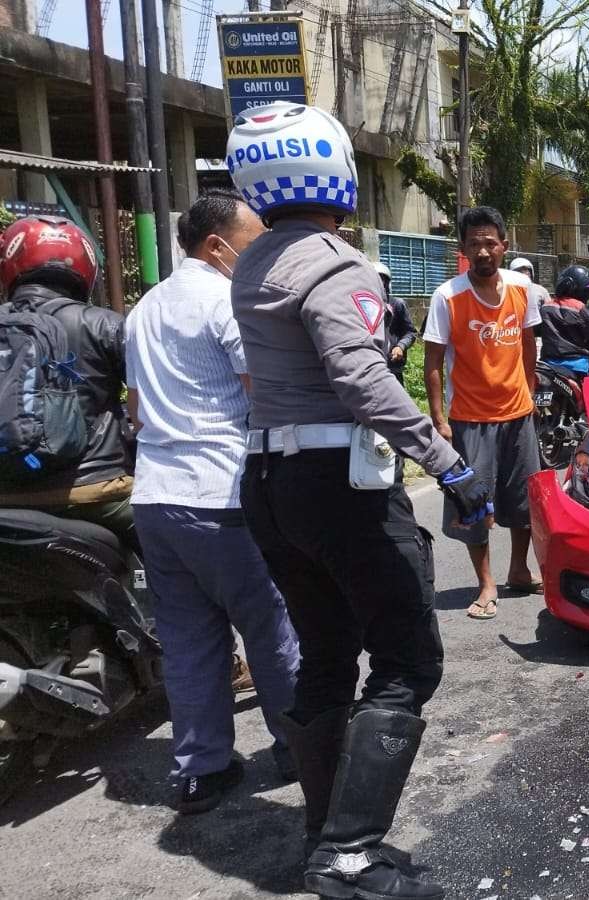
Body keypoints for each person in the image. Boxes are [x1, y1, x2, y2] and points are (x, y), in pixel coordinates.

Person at [226, 101, 491, 900]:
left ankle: (322, 834)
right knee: (409, 659)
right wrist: (449, 464)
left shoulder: (251, 261)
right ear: (336, 173)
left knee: (328, 652)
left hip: (269, 483)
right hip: (338, 486)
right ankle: (350, 854)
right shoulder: (339, 264)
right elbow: (359, 375)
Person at [123, 190, 302, 813]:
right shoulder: (227, 300)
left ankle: (202, 768)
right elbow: (265, 395)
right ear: (217, 246)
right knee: (271, 625)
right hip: (222, 494)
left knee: (190, 639)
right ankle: (298, 746)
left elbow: (137, 410)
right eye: (254, 244)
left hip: (155, 498)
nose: (263, 255)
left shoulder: (144, 308)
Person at [423, 206, 546, 621]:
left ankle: (518, 569)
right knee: (473, 504)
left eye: (489, 243)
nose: (482, 251)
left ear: (504, 247)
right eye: (473, 244)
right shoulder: (448, 297)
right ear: (462, 249)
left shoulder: (522, 288)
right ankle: (486, 583)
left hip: (518, 414)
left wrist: (529, 388)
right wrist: (439, 420)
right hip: (470, 419)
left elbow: (527, 342)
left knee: (524, 498)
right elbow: (433, 363)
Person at [0, 216, 135, 548]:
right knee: (182, 552)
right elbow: (152, 400)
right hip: (94, 494)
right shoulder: (105, 324)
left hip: (7, 498)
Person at [541, 265, 589, 378]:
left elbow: (536, 331)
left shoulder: (546, 306)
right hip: (578, 365)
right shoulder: (580, 307)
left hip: (548, 364)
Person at [372, 261, 417, 382]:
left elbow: (410, 332)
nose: (379, 284)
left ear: (387, 283)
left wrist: (400, 347)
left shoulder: (397, 305)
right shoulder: (362, 306)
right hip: (370, 368)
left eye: (382, 280)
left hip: (392, 368)